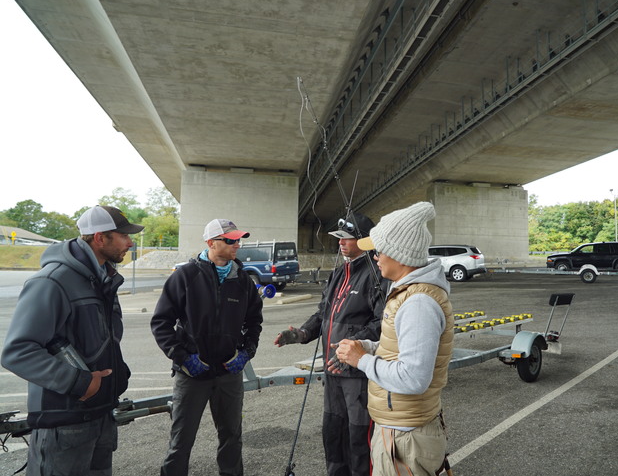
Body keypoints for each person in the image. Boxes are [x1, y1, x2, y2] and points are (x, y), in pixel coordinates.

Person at [1, 205, 143, 475]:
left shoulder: (102, 280)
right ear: (100, 238)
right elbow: (17, 352)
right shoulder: (52, 281)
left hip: (100, 416)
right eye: (123, 235)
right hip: (64, 424)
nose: (130, 242)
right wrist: (80, 384)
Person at [331, 201, 454, 476]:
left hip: (405, 437)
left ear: (398, 254)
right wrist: (369, 347)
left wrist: (361, 360)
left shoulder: (418, 302)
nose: (375, 257)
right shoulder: (410, 294)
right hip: (399, 428)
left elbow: (413, 378)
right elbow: (399, 349)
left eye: (378, 251)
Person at [274, 212, 386, 476]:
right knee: (333, 434)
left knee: (359, 439)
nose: (341, 243)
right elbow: (322, 314)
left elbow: (382, 323)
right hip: (332, 372)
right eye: (339, 239)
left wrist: (352, 347)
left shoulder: (377, 274)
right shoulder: (338, 273)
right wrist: (302, 333)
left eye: (347, 238)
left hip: (358, 374)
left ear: (365, 241)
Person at [151, 218, 263, 476]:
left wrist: (246, 353)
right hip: (191, 375)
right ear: (211, 243)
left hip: (228, 375)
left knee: (232, 438)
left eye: (238, 239)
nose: (237, 244)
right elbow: (161, 323)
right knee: (181, 442)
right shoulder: (185, 277)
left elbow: (254, 322)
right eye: (230, 240)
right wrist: (182, 358)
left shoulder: (243, 280)